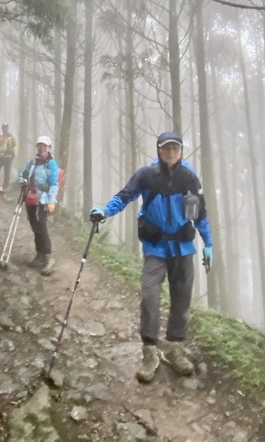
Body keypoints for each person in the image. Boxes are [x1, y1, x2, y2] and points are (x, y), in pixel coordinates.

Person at [90, 132, 213, 383]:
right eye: (166, 148)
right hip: (155, 248)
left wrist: (208, 243)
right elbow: (125, 196)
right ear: (159, 150)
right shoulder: (146, 175)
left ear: (181, 151)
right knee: (149, 296)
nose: (171, 152)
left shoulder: (188, 176)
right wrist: (104, 212)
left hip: (182, 249)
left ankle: (175, 348)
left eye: (175, 148)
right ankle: (149, 351)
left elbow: (200, 211)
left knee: (182, 298)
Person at [19, 135, 59, 276]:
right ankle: (39, 254)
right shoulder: (32, 163)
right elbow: (23, 173)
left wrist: (51, 201)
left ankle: (48, 256)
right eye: (39, 145)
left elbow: (54, 183)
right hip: (30, 198)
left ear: (48, 148)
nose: (41, 148)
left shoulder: (51, 164)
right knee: (34, 225)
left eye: (44, 145)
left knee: (41, 225)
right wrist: (22, 179)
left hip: (43, 199)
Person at [0, 123, 17, 189]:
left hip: (8, 157)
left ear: (7, 128)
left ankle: (5, 186)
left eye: (6, 128)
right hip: (0, 156)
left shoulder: (11, 137)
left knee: (7, 172)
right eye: (3, 128)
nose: (5, 129)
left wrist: (13, 149)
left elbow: (16, 145)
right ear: (2, 128)